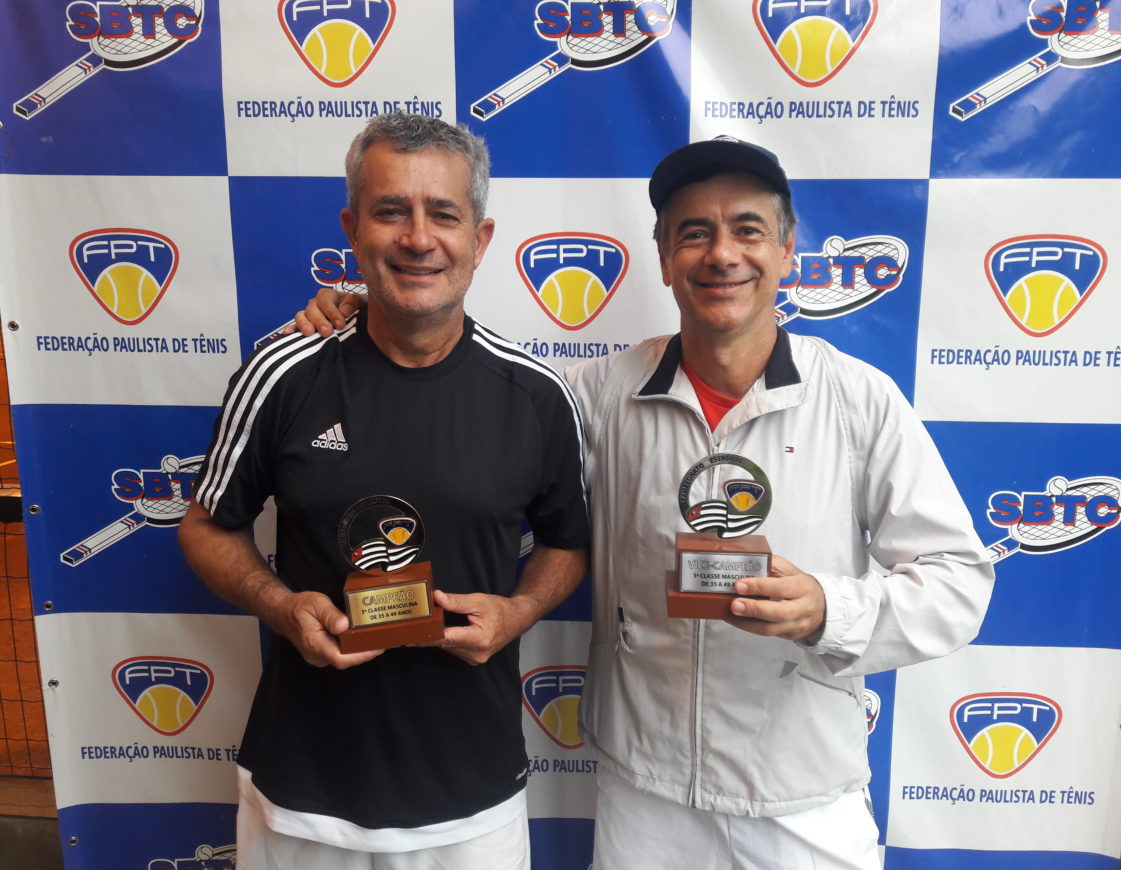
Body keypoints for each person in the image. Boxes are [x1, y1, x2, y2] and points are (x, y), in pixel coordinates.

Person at [295, 135, 996, 870]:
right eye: (694, 233)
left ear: (789, 252)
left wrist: (829, 608)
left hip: (804, 797)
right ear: (663, 258)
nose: (721, 254)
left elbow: (958, 584)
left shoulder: (859, 401)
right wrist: (372, 322)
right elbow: (465, 417)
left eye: (748, 230)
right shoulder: (597, 393)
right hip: (646, 798)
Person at [179, 113, 589, 870]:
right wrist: (279, 605)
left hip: (472, 806)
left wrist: (520, 611)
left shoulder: (537, 395)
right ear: (353, 229)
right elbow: (206, 528)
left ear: (481, 238)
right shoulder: (281, 372)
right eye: (391, 210)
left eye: (444, 214)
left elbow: (569, 543)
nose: (418, 238)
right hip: (302, 798)